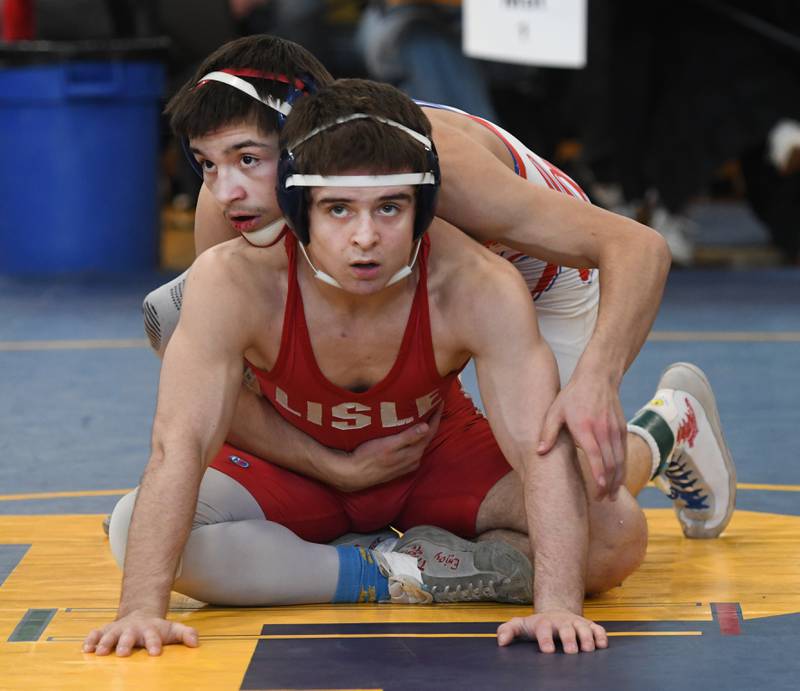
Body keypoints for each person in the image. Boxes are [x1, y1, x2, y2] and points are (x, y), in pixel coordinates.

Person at [84, 77, 735, 658]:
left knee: (613, 531)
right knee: (136, 531)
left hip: (444, 425)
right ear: (298, 207)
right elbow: (182, 440)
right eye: (339, 210)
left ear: (424, 207)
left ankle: (661, 424)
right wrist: (141, 605)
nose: (364, 235)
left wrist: (558, 604)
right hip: (300, 455)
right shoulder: (231, 262)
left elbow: (541, 450)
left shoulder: (477, 277)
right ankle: (397, 569)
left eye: (388, 208)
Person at [143, 34, 679, 506]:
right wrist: (325, 467)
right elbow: (224, 387)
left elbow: (636, 247)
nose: (226, 186)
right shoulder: (230, 198)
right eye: (210, 164)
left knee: (570, 489)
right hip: (420, 284)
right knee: (186, 327)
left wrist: (597, 379)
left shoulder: (437, 169)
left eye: (250, 158)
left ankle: (664, 430)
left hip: (540, 278)